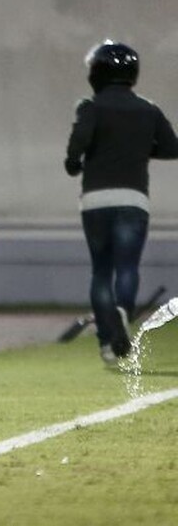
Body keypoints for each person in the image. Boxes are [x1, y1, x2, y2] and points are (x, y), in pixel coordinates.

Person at [65, 40, 178, 364]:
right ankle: (123, 311)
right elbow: (172, 147)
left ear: (96, 73)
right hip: (133, 199)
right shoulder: (149, 109)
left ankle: (106, 341)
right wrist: (139, 148)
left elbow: (78, 143)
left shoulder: (90, 106)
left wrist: (73, 162)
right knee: (127, 266)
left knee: (101, 271)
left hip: (96, 199)